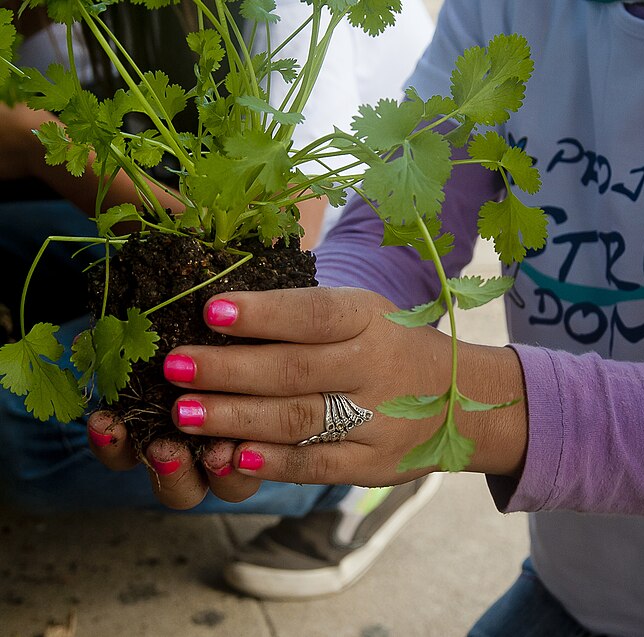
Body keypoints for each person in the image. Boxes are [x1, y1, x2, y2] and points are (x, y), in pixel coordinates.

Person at [87, 0, 644, 634]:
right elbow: (395, 230)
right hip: (585, 594)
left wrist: (465, 408)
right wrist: (304, 358)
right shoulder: (508, 14)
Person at [0, 0, 440, 600]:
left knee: (15, 437)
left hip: (330, 289)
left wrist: (32, 140)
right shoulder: (85, 22)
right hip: (191, 245)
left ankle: (360, 470)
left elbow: (281, 226)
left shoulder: (292, 14)